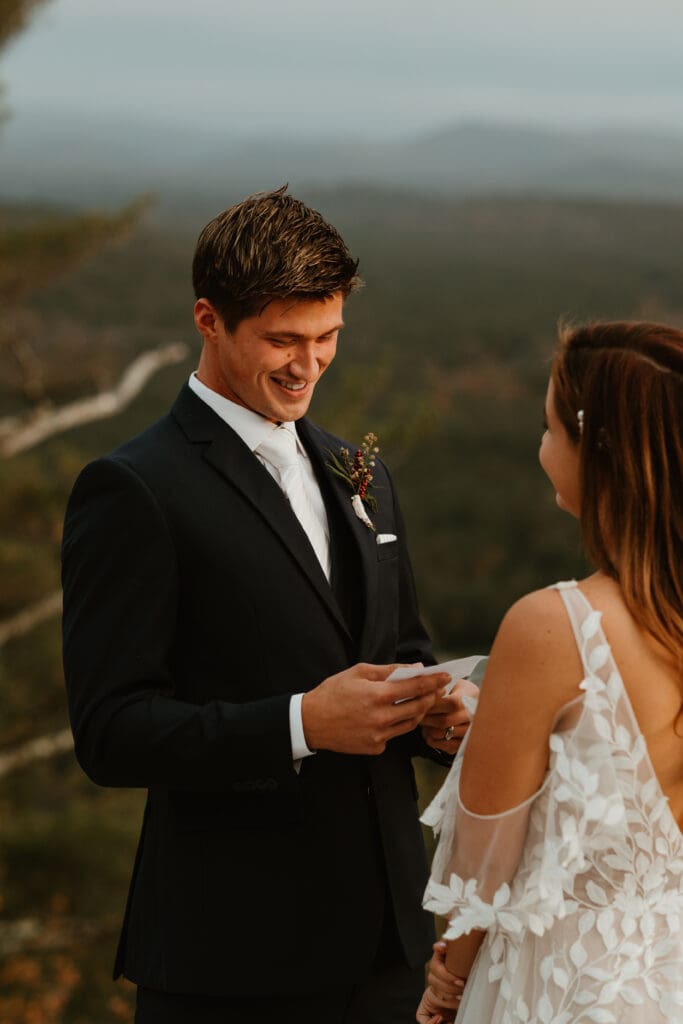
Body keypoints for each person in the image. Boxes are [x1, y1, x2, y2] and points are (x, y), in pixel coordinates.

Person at [61, 186, 474, 1024]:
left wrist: (442, 713)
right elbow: (111, 732)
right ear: (208, 320)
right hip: (233, 959)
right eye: (283, 340)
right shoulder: (134, 488)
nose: (309, 365)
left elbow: (403, 648)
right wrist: (298, 724)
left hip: (390, 944)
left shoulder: (359, 468)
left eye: (327, 339)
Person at [417, 320, 683, 1023]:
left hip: (562, 988)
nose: (540, 448)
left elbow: (484, 873)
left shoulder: (552, 627)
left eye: (547, 427)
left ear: (597, 451)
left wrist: (447, 984)